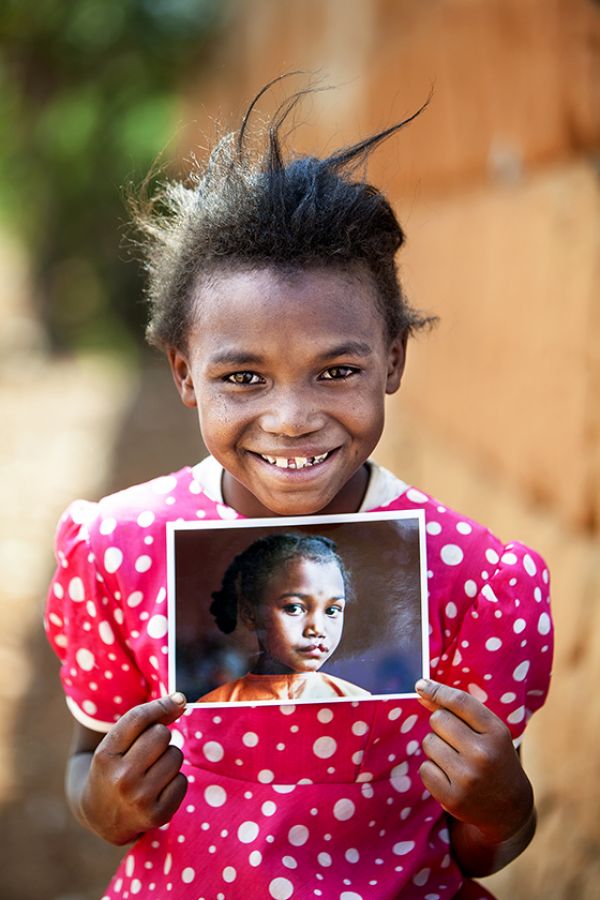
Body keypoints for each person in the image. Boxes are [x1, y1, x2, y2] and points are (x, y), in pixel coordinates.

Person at [45, 76, 553, 898]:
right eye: (243, 377)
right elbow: (86, 770)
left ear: (392, 360)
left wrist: (504, 805)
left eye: (337, 370)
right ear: (184, 373)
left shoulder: (478, 579)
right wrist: (107, 806)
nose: (291, 420)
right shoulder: (116, 551)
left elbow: (485, 847)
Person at [197, 532, 370, 702]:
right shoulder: (215, 706)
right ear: (249, 615)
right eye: (294, 608)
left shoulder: (358, 702)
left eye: (332, 611)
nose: (317, 629)